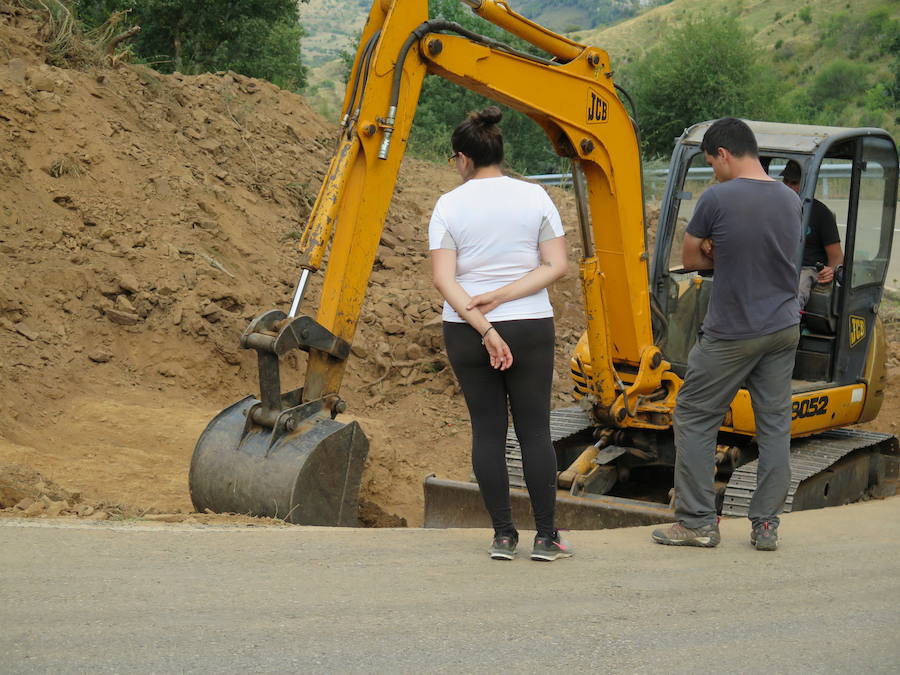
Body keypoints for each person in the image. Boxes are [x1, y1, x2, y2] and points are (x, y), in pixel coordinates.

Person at [428, 106, 571, 562]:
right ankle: (546, 537)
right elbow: (556, 265)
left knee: (487, 432)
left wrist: (484, 322)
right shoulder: (536, 198)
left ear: (463, 158)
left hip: (467, 328)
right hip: (530, 325)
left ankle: (503, 535)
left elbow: (444, 280)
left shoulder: (449, 205)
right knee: (534, 431)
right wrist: (506, 296)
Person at [651, 118, 801, 552]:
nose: (713, 172)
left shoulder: (717, 198)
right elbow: (773, 256)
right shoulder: (789, 200)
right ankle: (766, 524)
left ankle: (697, 522)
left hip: (733, 330)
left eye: (711, 163)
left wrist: (715, 250)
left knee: (696, 416)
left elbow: (691, 259)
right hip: (783, 327)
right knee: (774, 428)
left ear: (723, 154)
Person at [780, 159, 844, 306]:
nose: (788, 187)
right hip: (780, 265)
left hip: (807, 269)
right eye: (786, 181)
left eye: (794, 183)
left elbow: (836, 256)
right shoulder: (774, 209)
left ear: (807, 184)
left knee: (795, 292)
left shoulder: (821, 213)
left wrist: (830, 272)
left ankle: (789, 325)